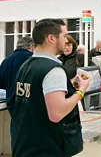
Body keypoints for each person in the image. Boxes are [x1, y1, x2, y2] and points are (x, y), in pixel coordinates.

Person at [13, 18, 92, 157]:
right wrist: (81, 91)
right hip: (47, 147)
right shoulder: (53, 70)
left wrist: (70, 88)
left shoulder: (26, 65)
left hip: (25, 144)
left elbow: (36, 98)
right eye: (63, 36)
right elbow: (57, 114)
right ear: (51, 38)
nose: (66, 40)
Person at [0, 37, 34, 148]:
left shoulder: (6, 61)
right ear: (31, 46)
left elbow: (1, 84)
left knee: (16, 132)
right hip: (30, 101)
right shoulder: (32, 59)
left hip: (12, 102)